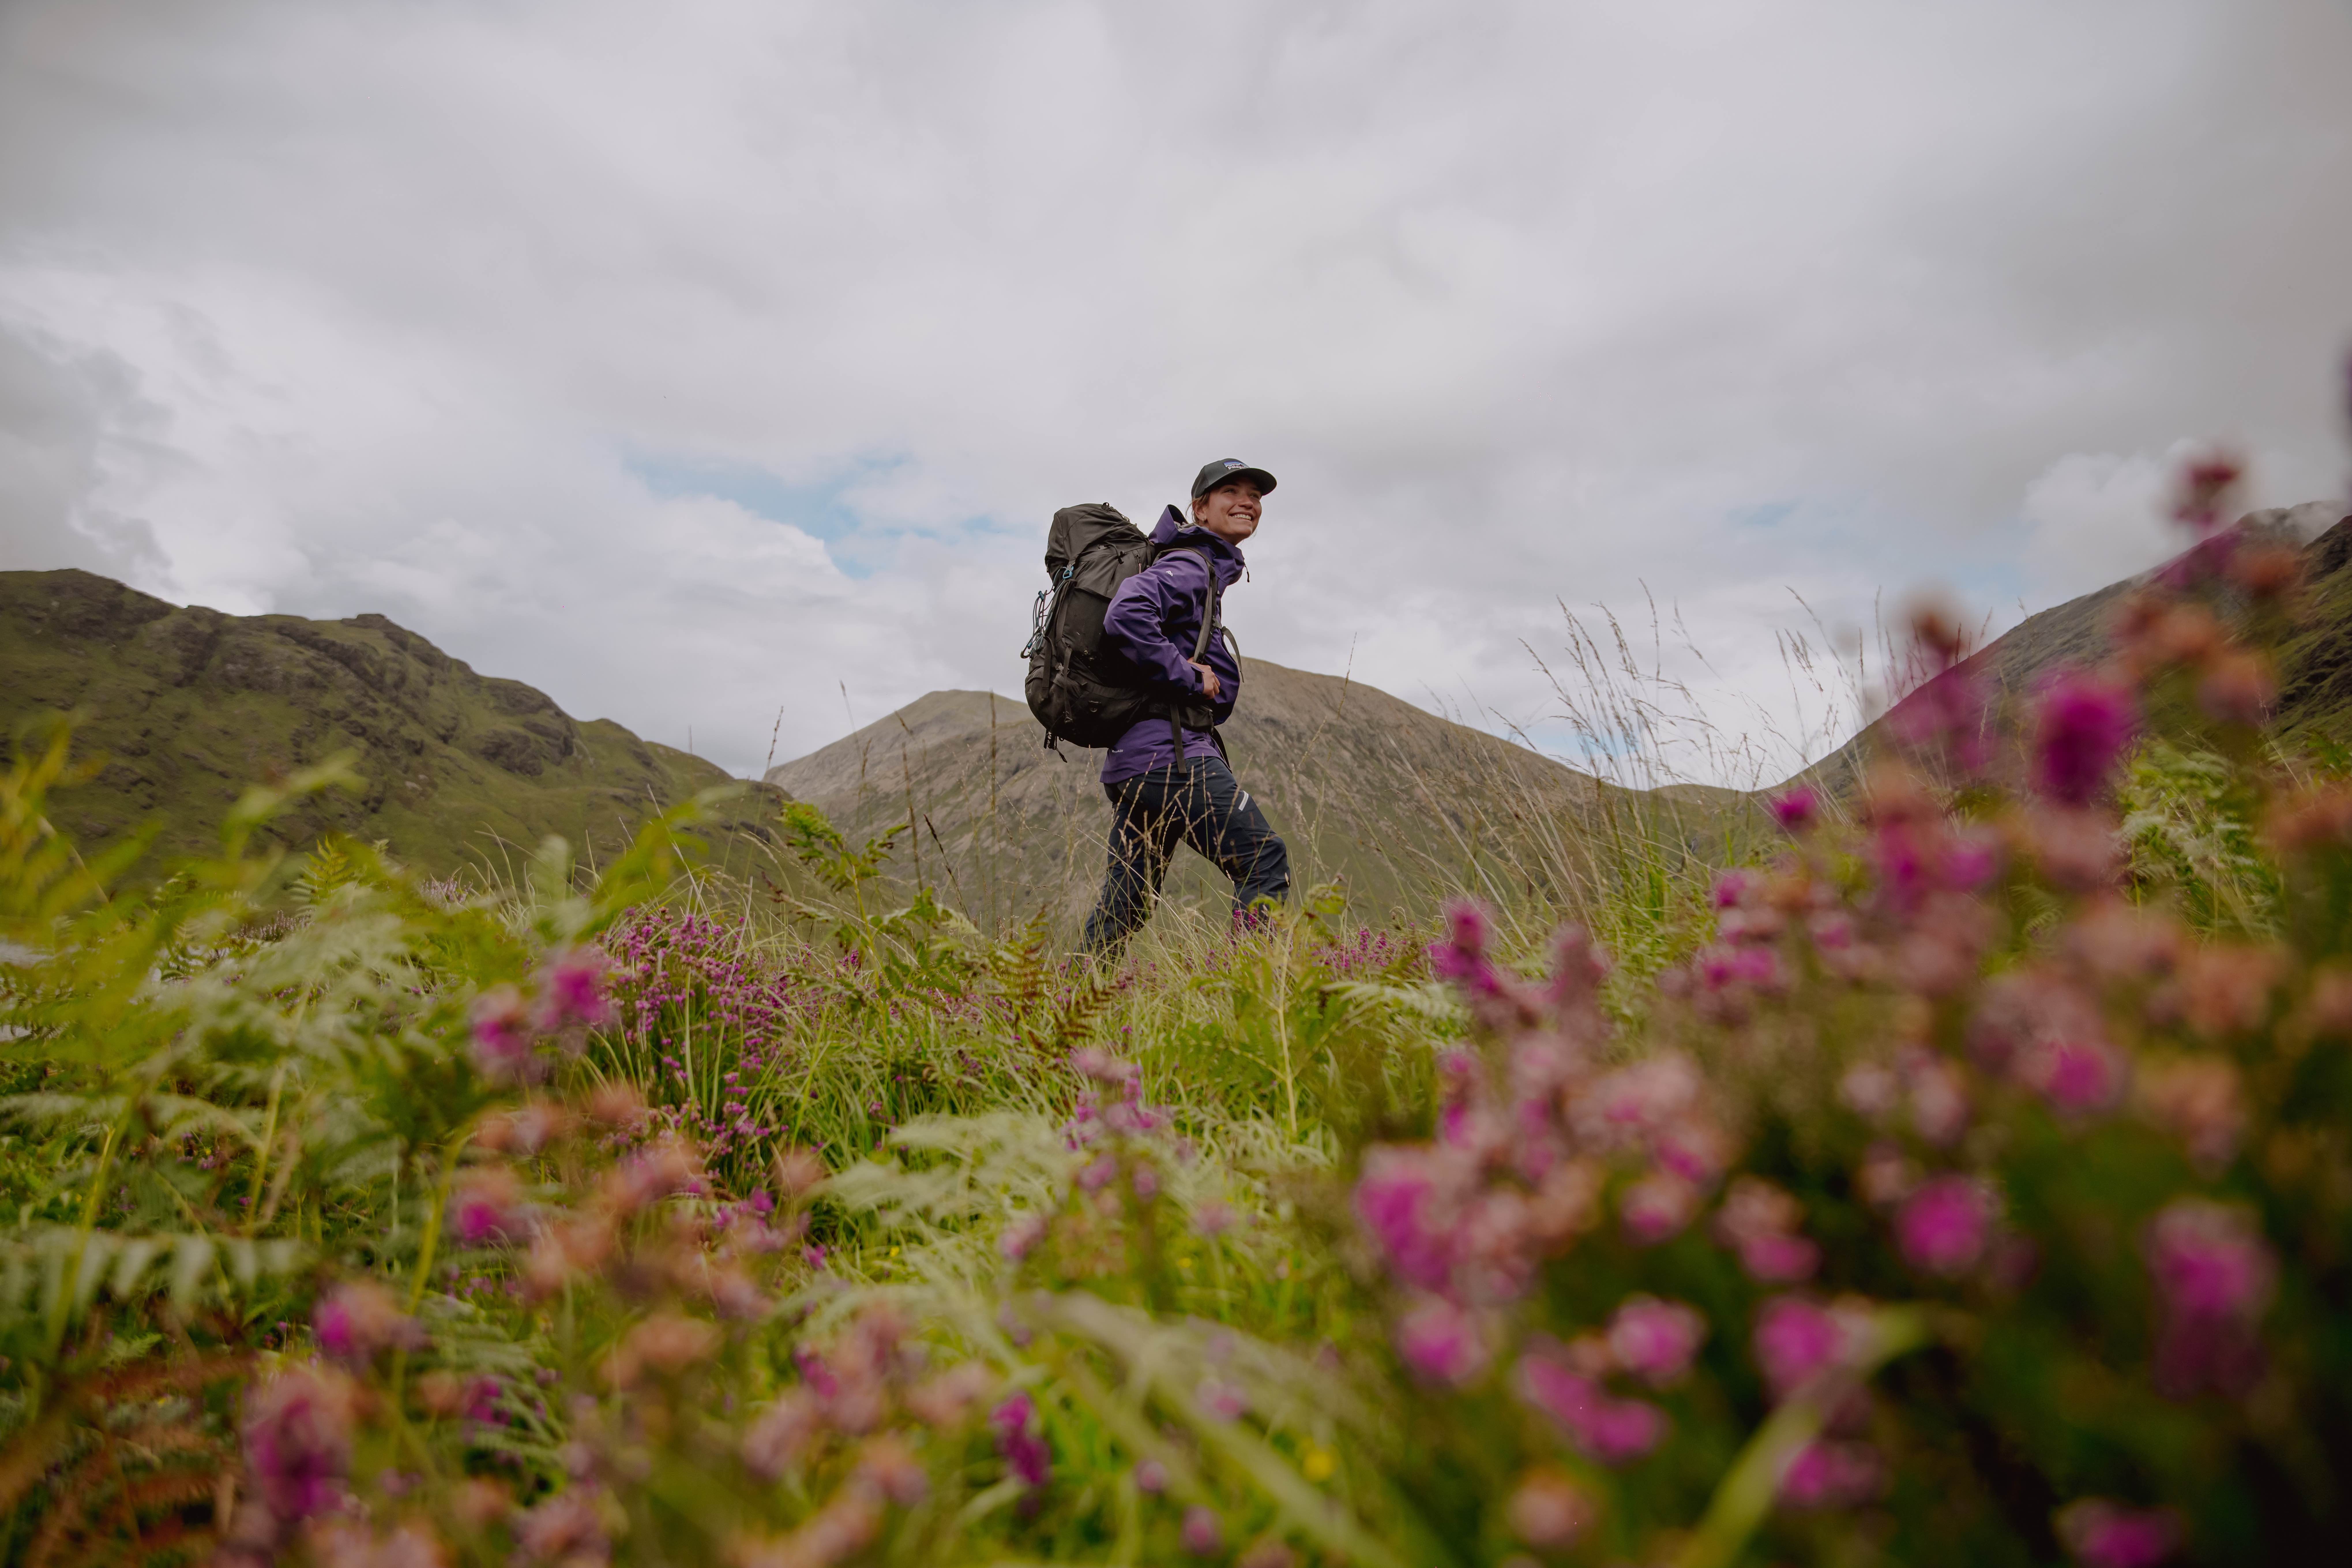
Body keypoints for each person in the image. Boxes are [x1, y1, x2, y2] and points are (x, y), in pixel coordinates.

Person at [1080, 459, 1292, 956]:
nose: (1247, 502)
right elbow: (1126, 613)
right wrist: (1189, 675)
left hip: (1138, 764)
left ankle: (1069, 1009)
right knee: (1264, 858)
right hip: (1170, 758)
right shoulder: (1191, 563)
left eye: (1255, 496)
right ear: (1199, 508)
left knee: (1124, 906)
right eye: (1231, 492)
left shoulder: (1200, 568)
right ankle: (1250, 994)